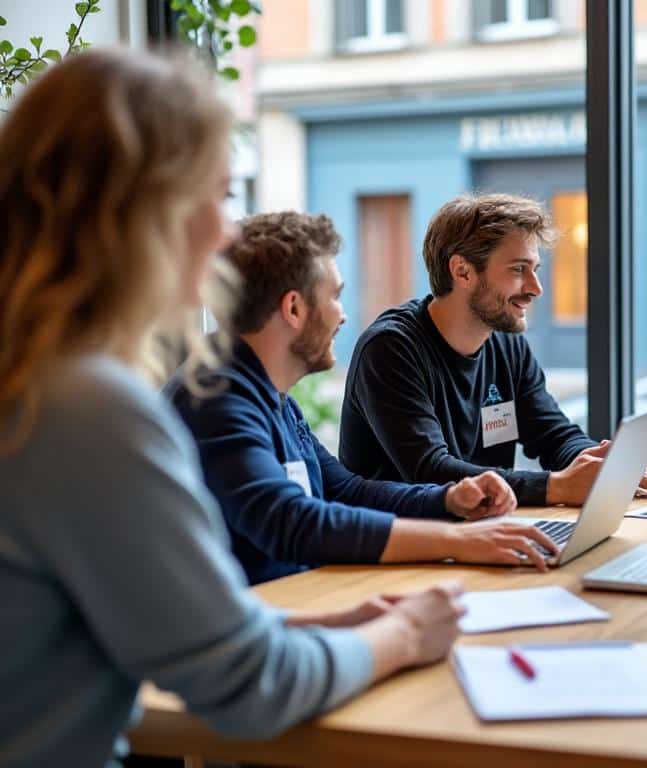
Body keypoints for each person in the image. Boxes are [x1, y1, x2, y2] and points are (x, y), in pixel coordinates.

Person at [0, 49, 466, 767]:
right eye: (217, 196)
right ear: (143, 211)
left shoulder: (39, 379)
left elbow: (156, 621)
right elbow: (251, 685)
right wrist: (404, 636)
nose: (226, 234)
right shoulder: (85, 405)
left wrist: (314, 623)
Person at [167, 211, 559, 584]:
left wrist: (449, 500)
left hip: (297, 608)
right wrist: (460, 542)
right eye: (334, 296)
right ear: (293, 307)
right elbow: (293, 522)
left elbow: (348, 491)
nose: (342, 316)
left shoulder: (271, 398)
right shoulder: (215, 400)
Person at [339, 192, 647, 506]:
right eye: (518, 270)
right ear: (462, 271)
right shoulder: (390, 349)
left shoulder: (506, 344)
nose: (535, 288)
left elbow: (552, 434)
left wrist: (600, 464)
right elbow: (430, 470)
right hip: (399, 549)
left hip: (479, 533)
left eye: (535, 270)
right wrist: (555, 486)